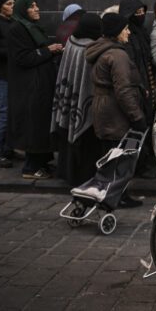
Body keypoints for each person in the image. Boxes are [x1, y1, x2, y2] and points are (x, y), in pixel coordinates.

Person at [85, 13, 146, 208]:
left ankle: (117, 194)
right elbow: (123, 90)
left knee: (111, 154)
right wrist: (137, 116)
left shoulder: (103, 49)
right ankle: (113, 196)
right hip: (114, 112)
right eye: (125, 28)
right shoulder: (117, 54)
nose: (128, 31)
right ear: (116, 31)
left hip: (105, 108)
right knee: (117, 156)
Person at [7, 0, 63, 179]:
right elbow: (23, 57)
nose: (37, 9)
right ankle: (31, 168)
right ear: (24, 11)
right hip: (30, 88)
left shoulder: (32, 27)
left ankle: (42, 163)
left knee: (41, 124)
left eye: (36, 5)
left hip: (39, 85)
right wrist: (49, 50)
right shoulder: (17, 28)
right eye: (32, 7)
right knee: (34, 126)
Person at [51, 13, 104, 187]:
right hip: (84, 100)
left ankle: (68, 174)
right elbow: (87, 79)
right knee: (84, 143)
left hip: (71, 96)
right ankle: (82, 178)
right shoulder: (90, 47)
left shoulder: (72, 40)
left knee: (69, 137)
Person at [118, 0, 154, 121]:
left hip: (148, 81)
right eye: (137, 13)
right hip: (138, 86)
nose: (141, 15)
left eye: (143, 12)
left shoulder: (142, 32)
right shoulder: (126, 37)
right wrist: (141, 86)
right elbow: (130, 64)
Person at [0, 0, 16, 168]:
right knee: (5, 113)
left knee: (12, 113)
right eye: (8, 3)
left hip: (12, 74)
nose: (12, 7)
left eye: (13, 3)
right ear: (0, 6)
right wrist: (14, 53)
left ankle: (8, 148)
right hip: (1, 75)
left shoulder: (12, 23)